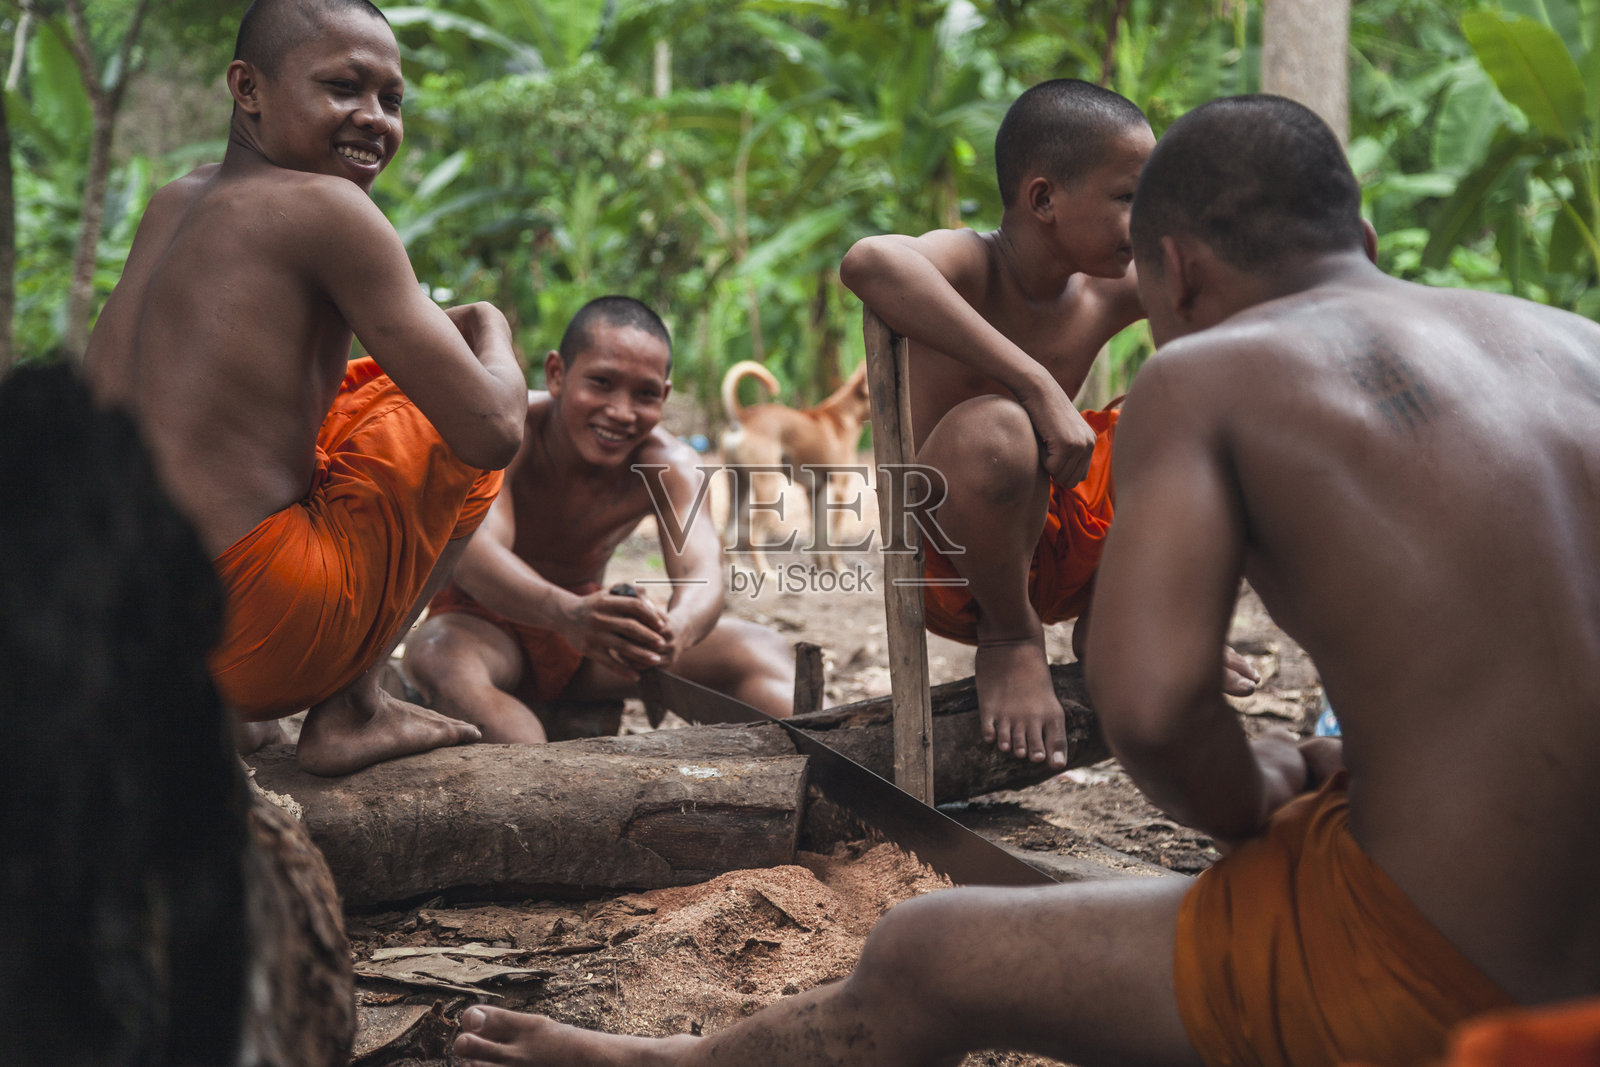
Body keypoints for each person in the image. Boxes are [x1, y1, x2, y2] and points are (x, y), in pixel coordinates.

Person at [448, 95, 1600, 1067]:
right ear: (1359, 226)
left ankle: (668, 1058)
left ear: (1176, 270)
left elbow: (1149, 710)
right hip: (1563, 918)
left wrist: (1255, 797)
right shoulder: (1572, 343)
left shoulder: (1203, 373)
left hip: (1459, 969)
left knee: (924, 948)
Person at [84, 0, 528, 775]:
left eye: (391, 100)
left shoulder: (173, 202)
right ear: (247, 88)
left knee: (361, 400)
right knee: (459, 423)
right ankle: (355, 707)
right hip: (246, 628)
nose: (374, 119)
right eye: (344, 87)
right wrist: (491, 326)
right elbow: (492, 428)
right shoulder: (330, 208)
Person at [840, 78, 1257, 770]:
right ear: (1043, 200)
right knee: (1003, 430)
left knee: (1209, 409)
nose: (1145, 221)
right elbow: (868, 262)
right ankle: (1013, 641)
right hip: (955, 563)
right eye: (1130, 199)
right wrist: (1033, 382)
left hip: (1062, 536)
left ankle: (1123, 615)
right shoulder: (971, 263)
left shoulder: (1113, 285)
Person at [403, 296, 795, 741]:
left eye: (645, 394)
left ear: (664, 397)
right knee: (443, 662)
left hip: (589, 638)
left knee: (763, 651)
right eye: (602, 383)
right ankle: (542, 787)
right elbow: (476, 556)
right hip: (480, 626)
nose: (622, 412)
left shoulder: (670, 464)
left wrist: (675, 631)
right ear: (557, 375)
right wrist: (566, 612)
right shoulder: (508, 432)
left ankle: (816, 783)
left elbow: (702, 573)